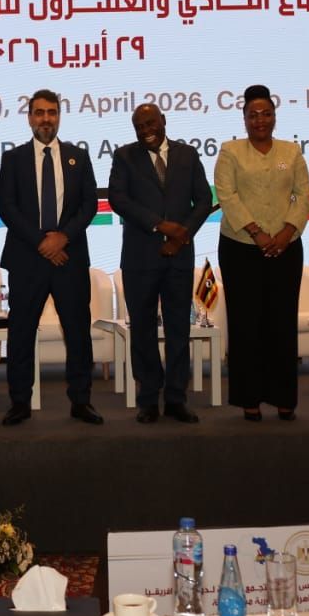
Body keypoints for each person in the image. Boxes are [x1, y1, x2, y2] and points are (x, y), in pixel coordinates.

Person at [0, 89, 103, 426]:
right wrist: (42, 242)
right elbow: (7, 207)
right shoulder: (13, 159)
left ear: (59, 116)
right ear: (30, 117)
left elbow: (89, 204)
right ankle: (20, 402)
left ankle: (81, 401)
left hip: (69, 258)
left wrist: (62, 238)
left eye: (52, 112)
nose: (46, 119)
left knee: (78, 332)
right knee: (21, 333)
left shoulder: (78, 157)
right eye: (39, 113)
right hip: (27, 259)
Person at [107, 103, 213, 424]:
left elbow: (203, 200)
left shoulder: (187, 155)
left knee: (179, 329)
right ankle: (149, 399)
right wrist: (160, 225)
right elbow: (118, 199)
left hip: (179, 257)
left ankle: (177, 398)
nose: (146, 131)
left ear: (163, 121)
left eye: (151, 123)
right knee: (142, 331)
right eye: (139, 126)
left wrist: (180, 236)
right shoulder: (124, 156)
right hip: (139, 258)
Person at [213, 85, 309, 422]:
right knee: (246, 324)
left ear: (274, 116)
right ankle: (249, 398)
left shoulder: (291, 152)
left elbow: (303, 196)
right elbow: (227, 195)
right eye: (253, 115)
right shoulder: (230, 151)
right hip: (240, 249)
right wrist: (256, 232)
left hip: (286, 248)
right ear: (244, 118)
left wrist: (286, 233)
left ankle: (284, 398)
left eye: (266, 114)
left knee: (281, 323)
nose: (260, 120)